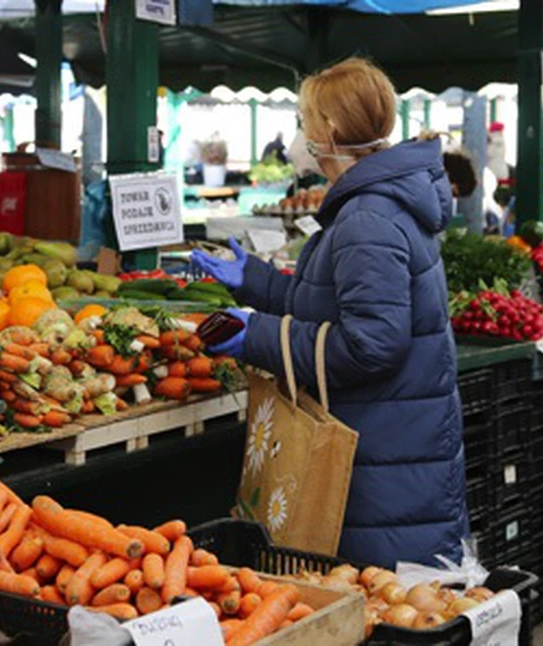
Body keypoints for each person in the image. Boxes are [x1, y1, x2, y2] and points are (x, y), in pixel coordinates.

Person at [192, 58, 467, 568]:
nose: (301, 134)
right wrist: (256, 282)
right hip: (392, 444)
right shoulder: (378, 204)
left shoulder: (368, 217)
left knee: (376, 607)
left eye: (304, 119)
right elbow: (339, 306)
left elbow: (370, 346)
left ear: (331, 130)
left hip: (380, 466)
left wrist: (257, 336)